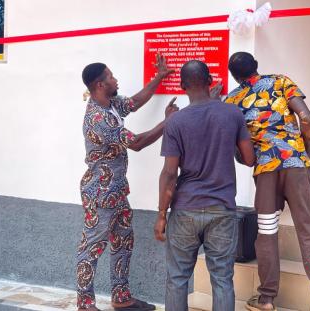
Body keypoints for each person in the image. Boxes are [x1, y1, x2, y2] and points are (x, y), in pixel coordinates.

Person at [224, 52, 310, 311]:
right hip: (296, 164)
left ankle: (267, 298)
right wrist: (304, 151)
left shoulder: (231, 101)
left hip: (266, 172)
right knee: (307, 227)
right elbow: (307, 119)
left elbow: (243, 156)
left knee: (267, 231)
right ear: (256, 66)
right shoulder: (281, 82)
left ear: (234, 75)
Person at [77, 54, 178, 311]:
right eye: (111, 77)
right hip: (100, 192)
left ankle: (121, 298)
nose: (115, 79)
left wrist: (159, 76)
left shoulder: (111, 104)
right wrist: (169, 122)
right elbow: (137, 143)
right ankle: (85, 304)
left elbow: (134, 102)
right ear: (100, 84)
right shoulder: (99, 117)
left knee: (123, 241)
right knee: (93, 246)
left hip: (117, 191)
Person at [154, 60, 255, 311]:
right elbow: (250, 158)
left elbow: (169, 174)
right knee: (222, 280)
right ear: (210, 81)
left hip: (185, 208)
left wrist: (161, 215)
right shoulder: (232, 113)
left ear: (182, 86)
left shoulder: (176, 122)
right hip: (222, 209)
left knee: (177, 279)